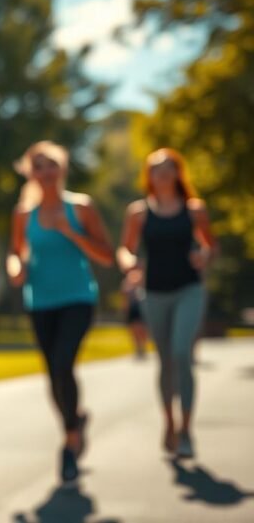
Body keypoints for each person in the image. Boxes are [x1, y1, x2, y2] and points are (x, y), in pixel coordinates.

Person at [6, 141, 114, 483]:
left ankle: (69, 444)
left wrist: (72, 234)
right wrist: (15, 267)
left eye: (51, 164)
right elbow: (16, 251)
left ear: (63, 168)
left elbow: (106, 256)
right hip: (40, 300)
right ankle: (75, 420)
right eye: (39, 166)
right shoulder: (23, 214)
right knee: (53, 374)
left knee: (63, 362)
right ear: (31, 173)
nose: (46, 171)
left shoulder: (80, 208)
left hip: (77, 297)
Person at [117, 148, 216, 459]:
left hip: (189, 288)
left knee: (181, 352)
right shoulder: (139, 212)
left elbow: (210, 245)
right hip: (154, 292)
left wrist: (204, 255)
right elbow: (125, 249)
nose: (161, 174)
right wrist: (130, 264)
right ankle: (169, 422)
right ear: (149, 175)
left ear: (177, 173)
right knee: (165, 361)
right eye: (155, 169)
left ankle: (187, 429)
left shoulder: (194, 209)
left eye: (167, 168)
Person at [121, 269, 149, 360]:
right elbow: (125, 297)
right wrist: (125, 309)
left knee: (142, 329)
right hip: (133, 309)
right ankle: (138, 348)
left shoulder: (142, 277)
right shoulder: (126, 282)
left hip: (142, 308)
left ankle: (143, 347)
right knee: (134, 330)